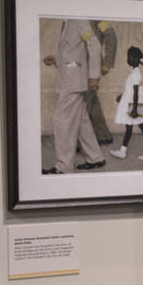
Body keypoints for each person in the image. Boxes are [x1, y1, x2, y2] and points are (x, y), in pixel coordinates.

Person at [42, 19, 107, 174]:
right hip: (70, 78)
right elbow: (72, 51)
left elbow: (94, 45)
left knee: (61, 118)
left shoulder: (78, 20)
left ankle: (64, 166)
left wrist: (94, 76)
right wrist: (56, 60)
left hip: (73, 80)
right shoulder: (68, 21)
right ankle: (96, 157)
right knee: (81, 120)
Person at [109, 46, 143, 161]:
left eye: (129, 57)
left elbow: (135, 91)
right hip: (132, 103)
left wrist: (134, 108)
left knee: (142, 127)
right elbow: (129, 90)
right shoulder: (133, 73)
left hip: (135, 104)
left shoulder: (136, 74)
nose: (128, 59)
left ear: (135, 59)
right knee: (129, 128)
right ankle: (123, 151)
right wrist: (122, 97)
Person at [85, 20, 118, 145]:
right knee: (91, 101)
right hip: (78, 65)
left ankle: (80, 141)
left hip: (90, 65)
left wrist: (107, 63)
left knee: (84, 102)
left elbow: (110, 35)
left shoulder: (95, 17)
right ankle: (102, 135)